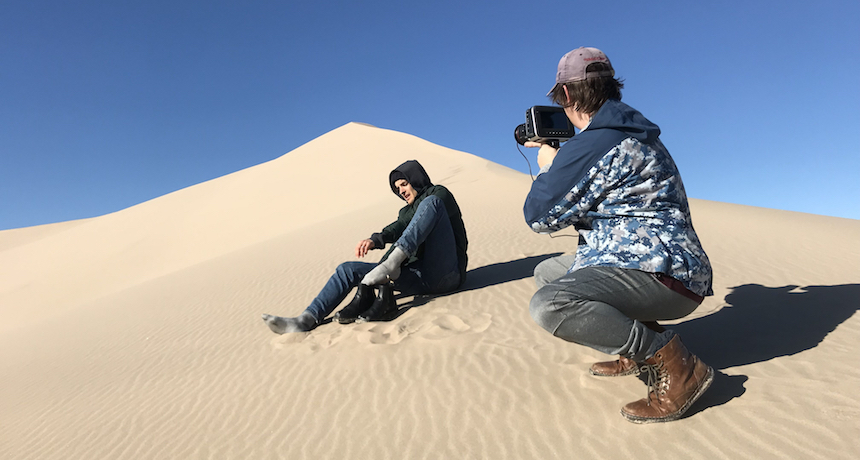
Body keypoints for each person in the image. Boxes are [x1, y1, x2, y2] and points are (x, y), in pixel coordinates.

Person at [523, 47, 714, 424]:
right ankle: (634, 351)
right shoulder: (634, 131)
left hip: (663, 275)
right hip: (672, 265)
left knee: (549, 304)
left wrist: (549, 167)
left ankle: (679, 369)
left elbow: (540, 217)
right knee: (549, 272)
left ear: (566, 94)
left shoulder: (594, 143)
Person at [262, 160, 468, 333]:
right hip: (417, 279)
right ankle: (304, 320)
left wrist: (386, 261)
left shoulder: (439, 195)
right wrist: (376, 244)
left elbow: (408, 223)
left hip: (446, 274)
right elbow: (399, 226)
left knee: (430, 204)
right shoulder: (405, 212)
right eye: (398, 189)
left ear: (416, 179)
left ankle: (389, 266)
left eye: (404, 184)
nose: (401, 191)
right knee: (347, 269)